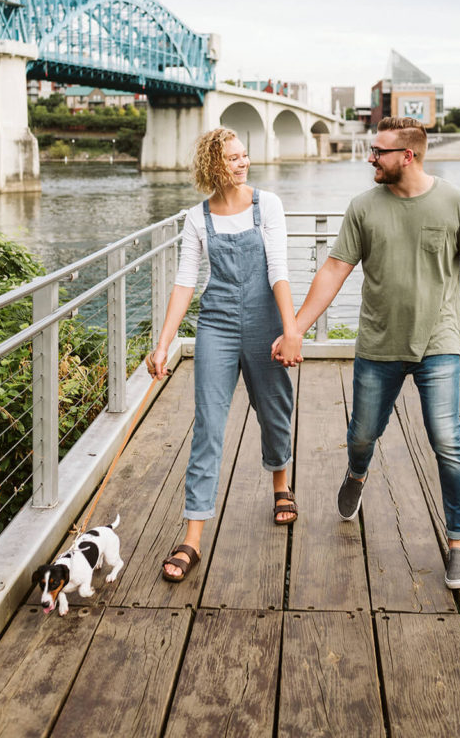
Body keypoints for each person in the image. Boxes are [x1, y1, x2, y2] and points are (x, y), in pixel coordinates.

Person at [274, 116, 460, 590]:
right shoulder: (363, 207)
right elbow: (334, 269)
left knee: (447, 441)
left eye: (378, 151)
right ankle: (357, 474)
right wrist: (295, 328)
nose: (370, 157)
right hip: (378, 344)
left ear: (408, 155)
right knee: (362, 435)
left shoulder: (457, 202)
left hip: (437, 343)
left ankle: (458, 543)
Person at [147, 127, 300, 582]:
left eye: (244, 155)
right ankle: (192, 537)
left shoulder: (266, 205)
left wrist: (290, 330)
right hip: (216, 323)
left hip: (264, 320)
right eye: (233, 158)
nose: (243, 163)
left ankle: (281, 485)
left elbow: (279, 268)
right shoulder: (198, 218)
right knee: (208, 425)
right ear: (214, 165)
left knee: (273, 409)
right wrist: (163, 343)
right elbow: (185, 282)